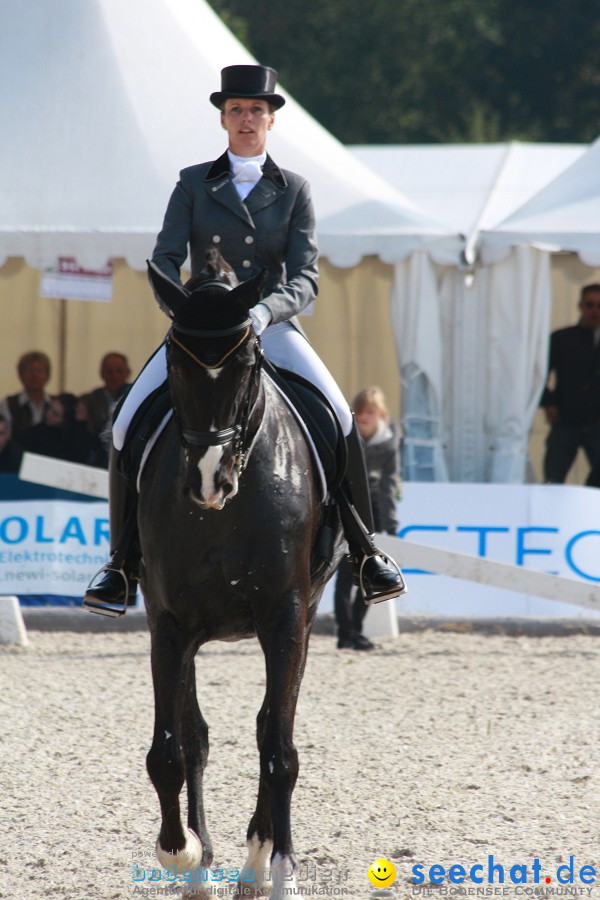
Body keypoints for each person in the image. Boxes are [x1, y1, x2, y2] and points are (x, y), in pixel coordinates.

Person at [84, 64, 406, 614]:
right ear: (223, 118)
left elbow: (306, 277)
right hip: (199, 329)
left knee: (339, 415)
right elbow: (164, 259)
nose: (246, 118)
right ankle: (120, 563)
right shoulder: (192, 183)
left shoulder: (295, 189)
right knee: (126, 421)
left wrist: (262, 312)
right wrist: (183, 310)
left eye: (256, 110)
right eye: (236, 110)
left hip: (268, 326)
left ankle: (364, 547)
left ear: (271, 120)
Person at [334, 387, 401, 650]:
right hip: (345, 507)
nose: (363, 417)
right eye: (360, 411)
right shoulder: (347, 437)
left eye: (370, 412)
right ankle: (344, 632)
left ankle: (357, 631)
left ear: (381, 414)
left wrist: (390, 526)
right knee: (342, 576)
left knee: (368, 573)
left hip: (372, 510)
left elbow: (388, 487)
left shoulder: (389, 444)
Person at [540, 283, 600, 484]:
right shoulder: (561, 339)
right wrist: (548, 403)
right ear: (581, 306)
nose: (595, 311)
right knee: (552, 479)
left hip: (597, 421)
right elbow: (539, 375)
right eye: (590, 305)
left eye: (599, 306)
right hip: (566, 419)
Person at [78, 352, 132, 465]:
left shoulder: (136, 397)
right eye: (110, 372)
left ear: (128, 373)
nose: (115, 377)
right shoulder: (89, 400)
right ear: (102, 374)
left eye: (119, 371)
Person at [0, 351, 52, 443]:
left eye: (39, 371)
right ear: (20, 375)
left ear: (47, 375)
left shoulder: (54, 404)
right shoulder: (8, 404)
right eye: (30, 371)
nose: (34, 376)